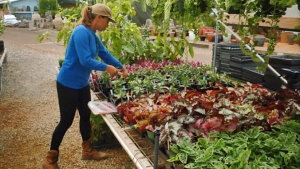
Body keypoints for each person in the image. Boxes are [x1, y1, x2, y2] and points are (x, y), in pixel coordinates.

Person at [43, 4, 128, 169]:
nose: (108, 24)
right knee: (66, 121)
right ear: (98, 18)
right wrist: (106, 68)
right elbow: (85, 60)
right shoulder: (81, 32)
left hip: (81, 83)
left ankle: (87, 150)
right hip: (67, 83)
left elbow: (104, 53)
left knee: (85, 116)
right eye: (107, 21)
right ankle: (50, 158)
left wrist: (120, 66)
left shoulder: (93, 35)